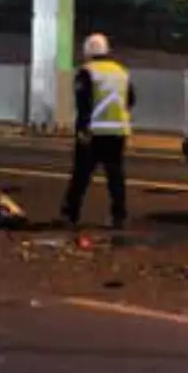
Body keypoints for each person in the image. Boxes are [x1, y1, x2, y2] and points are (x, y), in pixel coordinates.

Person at [60, 33, 135, 229]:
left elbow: (83, 103)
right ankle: (119, 215)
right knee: (115, 174)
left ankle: (70, 214)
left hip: (94, 132)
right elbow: (131, 99)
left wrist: (82, 130)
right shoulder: (121, 72)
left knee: (81, 175)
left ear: (88, 51)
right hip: (118, 132)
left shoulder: (87, 72)